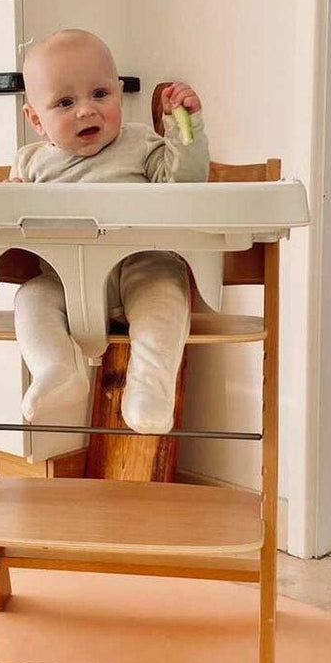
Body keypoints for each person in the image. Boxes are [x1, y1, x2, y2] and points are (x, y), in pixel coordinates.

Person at [11, 28, 208, 435]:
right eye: (65, 102)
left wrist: (184, 132)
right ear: (36, 120)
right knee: (30, 298)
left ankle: (150, 390)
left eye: (100, 94)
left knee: (166, 295)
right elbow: (5, 223)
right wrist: (9, 203)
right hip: (65, 281)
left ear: (118, 94)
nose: (87, 110)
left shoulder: (140, 143)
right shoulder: (30, 164)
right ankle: (57, 369)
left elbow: (183, 184)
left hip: (142, 265)